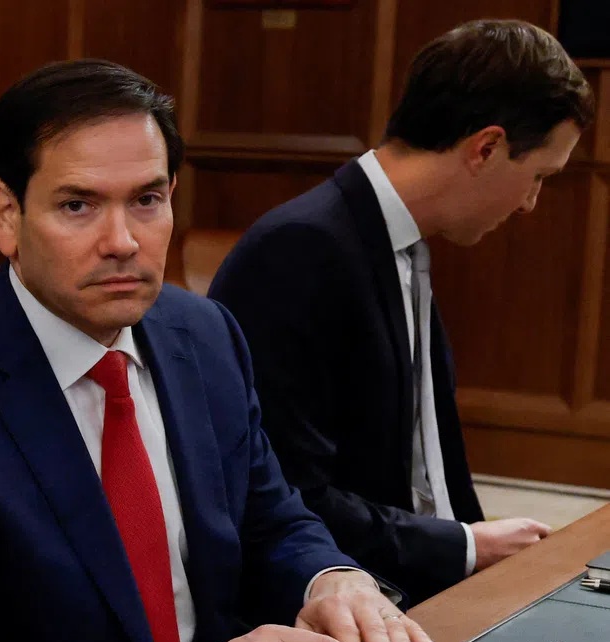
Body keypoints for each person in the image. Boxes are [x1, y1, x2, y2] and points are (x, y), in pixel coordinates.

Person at [0, 59, 441, 642]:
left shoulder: (204, 336)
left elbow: (270, 520)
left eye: (147, 200)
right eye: (78, 205)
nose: (122, 241)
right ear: (5, 213)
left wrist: (331, 579)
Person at [207, 19, 593, 604]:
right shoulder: (302, 249)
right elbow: (287, 497)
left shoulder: (399, 239)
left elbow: (430, 465)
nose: (530, 204)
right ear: (485, 148)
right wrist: (464, 547)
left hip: (427, 585)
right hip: (344, 606)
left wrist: (497, 574)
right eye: (537, 176)